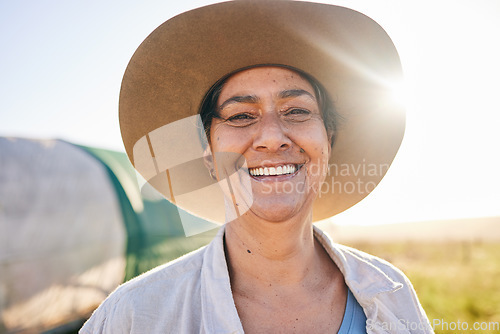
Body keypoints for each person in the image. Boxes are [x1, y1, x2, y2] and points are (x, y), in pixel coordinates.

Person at [81, 1, 433, 333]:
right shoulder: (135, 315)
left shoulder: (391, 294)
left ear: (329, 141)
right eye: (240, 116)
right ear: (209, 158)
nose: (271, 138)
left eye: (296, 111)